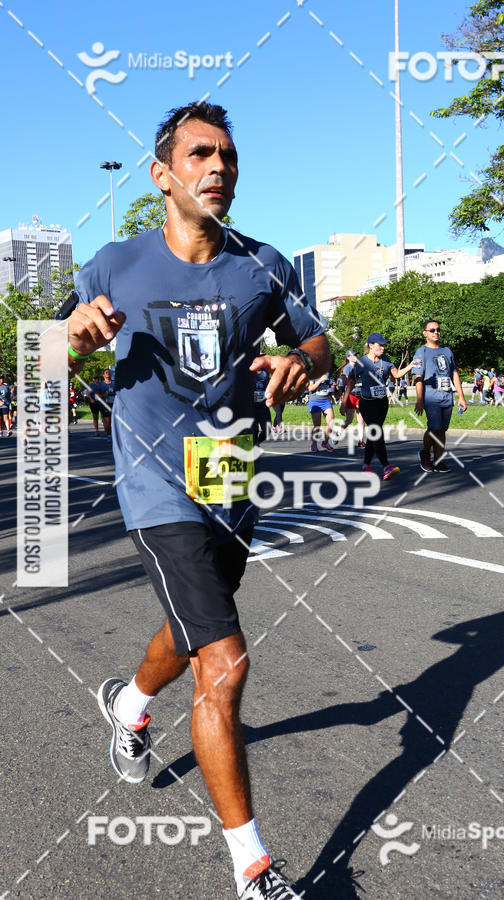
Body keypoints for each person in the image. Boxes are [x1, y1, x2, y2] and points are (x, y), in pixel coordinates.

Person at [68, 100, 329, 900]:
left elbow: (316, 338)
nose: (218, 168)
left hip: (228, 474)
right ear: (162, 175)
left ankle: (132, 704)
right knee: (225, 657)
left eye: (228, 157)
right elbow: (40, 356)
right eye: (200, 155)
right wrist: (69, 335)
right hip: (154, 482)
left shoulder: (265, 264)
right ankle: (253, 866)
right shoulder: (114, 262)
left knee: (192, 626)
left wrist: (302, 363)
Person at [339, 333, 403, 479]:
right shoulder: (361, 362)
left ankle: (366, 465)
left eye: (383, 344)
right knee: (377, 431)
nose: (383, 347)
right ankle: (386, 466)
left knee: (374, 434)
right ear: (371, 346)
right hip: (367, 402)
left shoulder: (385, 360)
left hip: (382, 402)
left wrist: (411, 366)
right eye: (380, 344)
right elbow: (351, 382)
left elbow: (396, 374)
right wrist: (344, 402)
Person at [412, 320, 467, 473]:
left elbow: (454, 374)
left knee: (442, 430)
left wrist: (461, 397)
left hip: (447, 396)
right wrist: (420, 400)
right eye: (432, 330)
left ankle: (438, 461)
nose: (436, 332)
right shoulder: (421, 352)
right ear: (425, 333)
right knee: (434, 427)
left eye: (438, 330)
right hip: (431, 398)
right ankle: (424, 452)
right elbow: (418, 377)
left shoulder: (447, 351)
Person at [331, 349, 365, 448]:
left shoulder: (361, 366)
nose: (356, 357)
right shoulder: (347, 368)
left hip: (361, 395)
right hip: (351, 395)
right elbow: (345, 382)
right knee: (349, 420)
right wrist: (353, 378)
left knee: (361, 420)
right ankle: (338, 432)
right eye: (354, 355)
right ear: (348, 357)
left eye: (356, 355)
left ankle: (361, 441)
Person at [307, 371, 335, 452]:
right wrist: (320, 380)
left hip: (325, 401)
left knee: (331, 422)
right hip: (315, 401)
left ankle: (325, 442)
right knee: (317, 426)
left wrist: (331, 385)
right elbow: (310, 388)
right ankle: (314, 444)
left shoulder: (328, 372)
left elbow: (326, 387)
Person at [253, 365, 271, 445]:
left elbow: (269, 384)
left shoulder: (265, 372)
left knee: (267, 429)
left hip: (263, 405)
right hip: (252, 406)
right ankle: (254, 446)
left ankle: (257, 442)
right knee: (254, 430)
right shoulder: (248, 371)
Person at [101, 367, 115, 436]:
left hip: (114, 404)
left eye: (109, 372)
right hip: (105, 404)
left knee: (114, 421)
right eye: (106, 373)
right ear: (103, 375)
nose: (108, 374)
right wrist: (104, 395)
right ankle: (109, 434)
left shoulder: (114, 383)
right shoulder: (101, 384)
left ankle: (112, 434)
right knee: (108, 421)